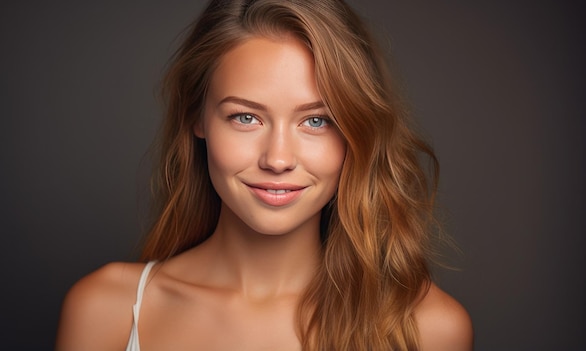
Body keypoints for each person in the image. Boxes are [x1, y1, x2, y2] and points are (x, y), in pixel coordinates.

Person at [56, 0, 473, 350]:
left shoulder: (428, 329)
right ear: (196, 119)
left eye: (316, 122)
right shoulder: (105, 310)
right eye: (245, 117)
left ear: (356, 133)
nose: (277, 159)